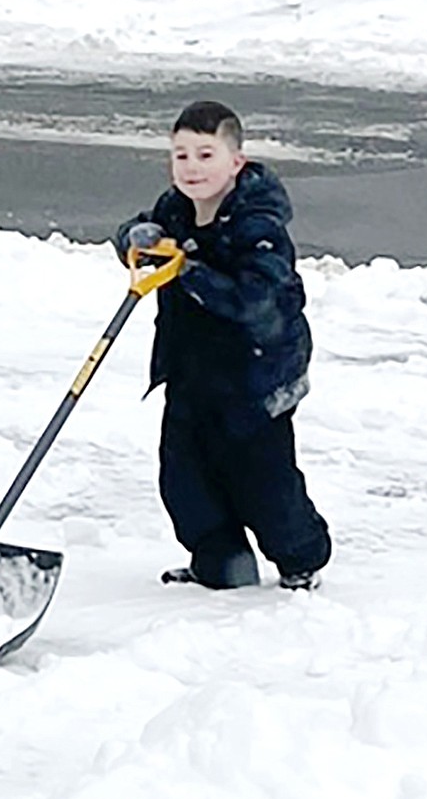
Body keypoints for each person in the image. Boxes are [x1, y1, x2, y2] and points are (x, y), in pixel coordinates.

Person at [115, 100, 331, 591]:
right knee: (184, 477)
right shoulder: (174, 209)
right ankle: (222, 561)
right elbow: (139, 236)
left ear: (236, 161)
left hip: (257, 377)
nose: (191, 168)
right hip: (193, 369)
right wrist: (135, 236)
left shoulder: (258, 226)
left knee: (263, 482)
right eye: (181, 155)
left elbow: (258, 300)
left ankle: (301, 557)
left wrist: (191, 274)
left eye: (206, 155)